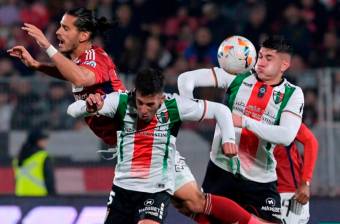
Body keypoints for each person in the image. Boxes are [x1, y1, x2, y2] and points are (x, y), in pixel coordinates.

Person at [67, 68, 265, 224]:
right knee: (193, 204)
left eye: (150, 104)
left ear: (161, 98)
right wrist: (89, 106)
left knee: (196, 201)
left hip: (158, 183)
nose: (144, 110)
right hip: (123, 187)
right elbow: (72, 110)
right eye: (140, 103)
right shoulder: (120, 101)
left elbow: (221, 110)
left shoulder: (175, 105)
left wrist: (229, 139)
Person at [178, 35, 304, 223]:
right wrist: (191, 108)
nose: (260, 62)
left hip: (260, 178)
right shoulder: (238, 74)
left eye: (269, 58)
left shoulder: (293, 94)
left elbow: (286, 136)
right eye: (260, 56)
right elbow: (186, 78)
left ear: (284, 65)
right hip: (221, 170)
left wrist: (244, 121)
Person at [7, 7, 125, 146]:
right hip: (122, 138)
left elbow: (80, 79)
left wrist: (47, 46)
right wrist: (36, 65)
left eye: (66, 28)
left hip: (135, 135)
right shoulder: (80, 62)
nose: (58, 32)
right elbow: (71, 73)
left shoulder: (95, 57)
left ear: (83, 36)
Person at [274, 123, 318, 224]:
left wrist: (305, 182)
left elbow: (311, 142)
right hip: (259, 189)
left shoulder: (282, 114)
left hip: (288, 194)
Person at [13, 128, 55, 196]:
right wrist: (53, 198)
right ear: (37, 141)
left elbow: (15, 181)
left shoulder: (17, 159)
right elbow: (49, 182)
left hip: (20, 198)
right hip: (39, 198)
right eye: (43, 139)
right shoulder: (43, 157)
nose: (46, 142)